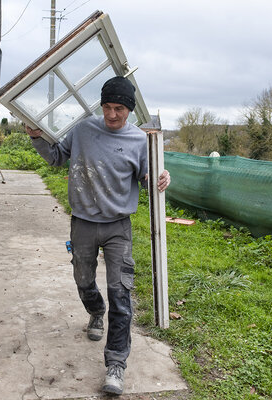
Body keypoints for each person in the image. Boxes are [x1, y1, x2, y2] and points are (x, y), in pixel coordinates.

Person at [26, 76, 170, 395]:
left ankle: (116, 363)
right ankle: (95, 311)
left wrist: (161, 176)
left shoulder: (139, 141)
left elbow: (147, 180)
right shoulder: (83, 130)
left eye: (119, 108)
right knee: (83, 280)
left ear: (129, 110)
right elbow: (55, 158)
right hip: (83, 222)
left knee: (121, 293)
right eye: (107, 107)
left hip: (119, 226)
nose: (112, 114)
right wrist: (37, 137)